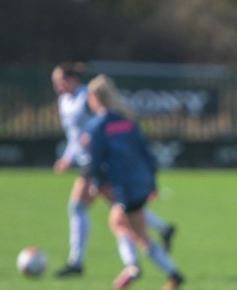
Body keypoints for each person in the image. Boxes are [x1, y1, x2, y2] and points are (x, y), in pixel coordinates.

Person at [51, 62, 176, 278]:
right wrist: (68, 158)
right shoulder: (66, 102)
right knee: (122, 212)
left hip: (99, 168)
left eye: (61, 80)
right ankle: (162, 234)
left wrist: (95, 179)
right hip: (104, 169)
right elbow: (77, 137)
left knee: (115, 218)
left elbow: (95, 136)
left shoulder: (87, 103)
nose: (57, 85)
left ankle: (119, 265)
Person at [83, 75, 185, 290]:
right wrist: (153, 183)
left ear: (95, 98)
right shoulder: (127, 121)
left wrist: (97, 183)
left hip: (124, 186)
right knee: (127, 226)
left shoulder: (96, 126)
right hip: (140, 182)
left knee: (129, 230)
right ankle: (161, 269)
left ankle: (142, 268)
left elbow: (95, 160)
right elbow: (147, 154)